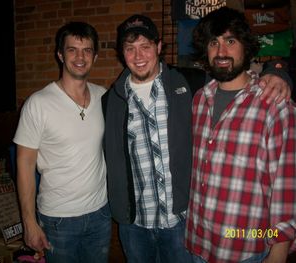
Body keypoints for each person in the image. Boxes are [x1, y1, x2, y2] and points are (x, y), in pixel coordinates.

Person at [102, 14, 293, 263]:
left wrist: (277, 70)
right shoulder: (199, 98)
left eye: (145, 47)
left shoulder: (188, 84)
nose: (138, 56)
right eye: (130, 49)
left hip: (210, 232)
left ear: (159, 47)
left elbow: (287, 184)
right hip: (170, 233)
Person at [185, 7, 296, 263]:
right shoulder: (200, 99)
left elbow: (286, 183)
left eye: (231, 41)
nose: (221, 52)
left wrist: (278, 251)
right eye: (214, 42)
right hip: (197, 242)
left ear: (245, 47)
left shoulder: (274, 104)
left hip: (245, 247)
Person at [13, 21, 111, 263]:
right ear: (60, 54)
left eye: (87, 50)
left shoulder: (104, 97)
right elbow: (24, 165)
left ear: (95, 57)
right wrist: (29, 223)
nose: (80, 57)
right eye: (72, 49)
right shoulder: (38, 103)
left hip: (100, 213)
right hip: (58, 220)